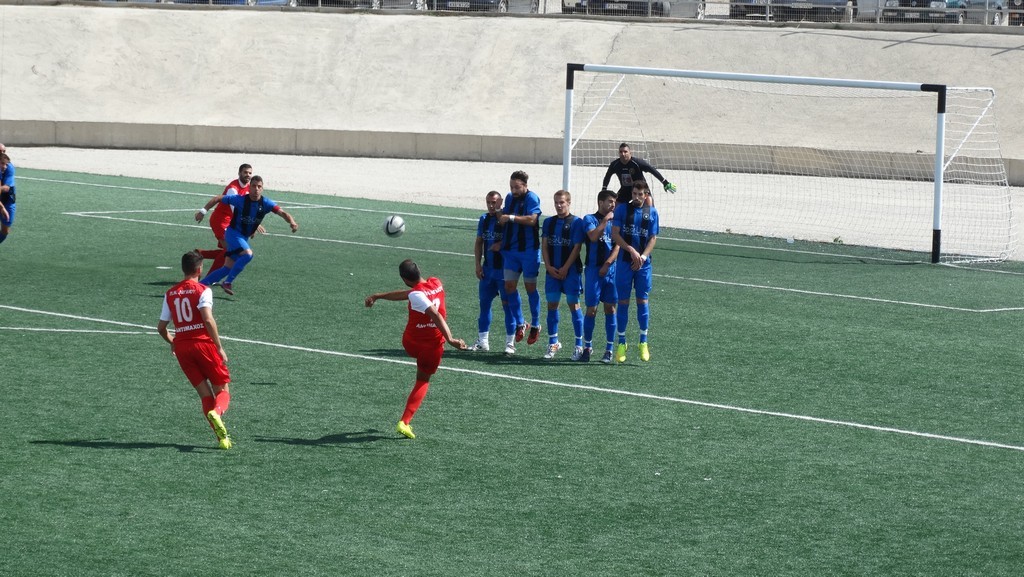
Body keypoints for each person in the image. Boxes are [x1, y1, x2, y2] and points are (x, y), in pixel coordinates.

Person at [364, 259, 467, 439]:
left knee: (420, 359)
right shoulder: (436, 282)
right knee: (423, 380)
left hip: (410, 342)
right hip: (431, 347)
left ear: (404, 279)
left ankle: (405, 422)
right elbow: (434, 314)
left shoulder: (415, 294)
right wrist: (450, 339)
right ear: (419, 270)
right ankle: (404, 422)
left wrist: (377, 296)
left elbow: (410, 294)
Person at [157, 251, 233, 450]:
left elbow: (161, 327)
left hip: (183, 348)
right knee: (222, 390)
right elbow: (207, 319)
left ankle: (222, 439)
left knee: (205, 395)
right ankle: (217, 412)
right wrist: (219, 347)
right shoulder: (203, 290)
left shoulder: (170, 293)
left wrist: (173, 342)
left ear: (183, 269)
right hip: (203, 345)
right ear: (200, 269)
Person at [197, 175, 299, 295]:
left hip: (243, 237)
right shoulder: (239, 200)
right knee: (248, 254)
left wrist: (292, 222)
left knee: (227, 268)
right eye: (254, 186)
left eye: (259, 186)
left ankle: (200, 285)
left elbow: (283, 213)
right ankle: (227, 282)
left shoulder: (266, 203)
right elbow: (217, 198)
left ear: (262, 188)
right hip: (233, 234)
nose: (256, 189)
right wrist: (203, 211)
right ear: (249, 187)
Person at [494, 170, 543, 356]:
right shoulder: (509, 198)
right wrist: (498, 209)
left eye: (516, 187)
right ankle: (521, 322)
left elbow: (532, 220)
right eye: (511, 187)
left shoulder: (532, 198)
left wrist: (510, 217)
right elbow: (502, 220)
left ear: (525, 185)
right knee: (509, 287)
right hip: (511, 251)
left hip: (529, 251)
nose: (513, 190)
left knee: (530, 288)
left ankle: (536, 324)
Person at [611, 180, 659, 363]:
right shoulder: (622, 210)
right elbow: (615, 234)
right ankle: (622, 342)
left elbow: (652, 238)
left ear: (646, 195)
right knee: (623, 302)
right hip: (625, 263)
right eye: (634, 194)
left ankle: (643, 341)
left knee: (642, 301)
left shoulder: (652, 212)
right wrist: (631, 250)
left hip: (643, 265)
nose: (637, 197)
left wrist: (643, 257)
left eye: (640, 194)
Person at [540, 190, 586, 360]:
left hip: (571, 272)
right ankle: (553, 342)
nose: (559, 206)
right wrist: (548, 266)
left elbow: (577, 247)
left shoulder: (577, 222)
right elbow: (544, 246)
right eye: (556, 203)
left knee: (574, 305)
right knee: (552, 305)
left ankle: (579, 345)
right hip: (552, 271)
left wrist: (566, 268)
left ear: (569, 203)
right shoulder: (548, 222)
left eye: (562, 202)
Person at [471, 190, 516, 352]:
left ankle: (510, 343)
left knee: (508, 307)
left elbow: (514, 241)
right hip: (487, 270)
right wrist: (478, 265)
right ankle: (483, 341)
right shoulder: (483, 219)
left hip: (504, 272)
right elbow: (479, 242)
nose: (491, 206)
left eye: (494, 202)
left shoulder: (505, 219)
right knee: (484, 305)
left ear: (500, 202)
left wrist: (501, 245)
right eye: (488, 202)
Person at [581, 189, 620, 364]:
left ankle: (609, 349)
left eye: (614, 202)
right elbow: (593, 237)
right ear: (600, 202)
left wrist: (607, 264)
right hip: (593, 271)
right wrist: (605, 221)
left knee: (610, 308)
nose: (613, 205)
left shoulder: (617, 222)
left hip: (611, 270)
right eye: (610, 201)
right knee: (591, 309)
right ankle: (587, 347)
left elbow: (617, 246)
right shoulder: (589, 219)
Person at [195, 164, 253, 275]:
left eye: (250, 173)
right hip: (220, 221)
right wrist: (203, 211)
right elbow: (235, 210)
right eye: (245, 172)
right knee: (230, 249)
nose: (248, 175)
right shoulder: (233, 189)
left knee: (233, 251)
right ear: (239, 173)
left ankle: (201, 253)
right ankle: (209, 279)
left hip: (230, 222)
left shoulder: (248, 188)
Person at [601, 142, 677, 207]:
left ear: (630, 152)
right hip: (625, 190)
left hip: (641, 189)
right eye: (621, 152)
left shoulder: (637, 163)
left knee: (649, 206)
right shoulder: (615, 165)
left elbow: (652, 170)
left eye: (625, 151)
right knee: (615, 206)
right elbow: (607, 176)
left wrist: (664, 182)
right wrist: (604, 189)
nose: (623, 154)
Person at [0, 153, 16, 245]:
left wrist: (2, 208)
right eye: (2, 163)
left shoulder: (9, 167)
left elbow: (6, 188)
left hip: (7, 201)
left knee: (5, 231)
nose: (5, 166)